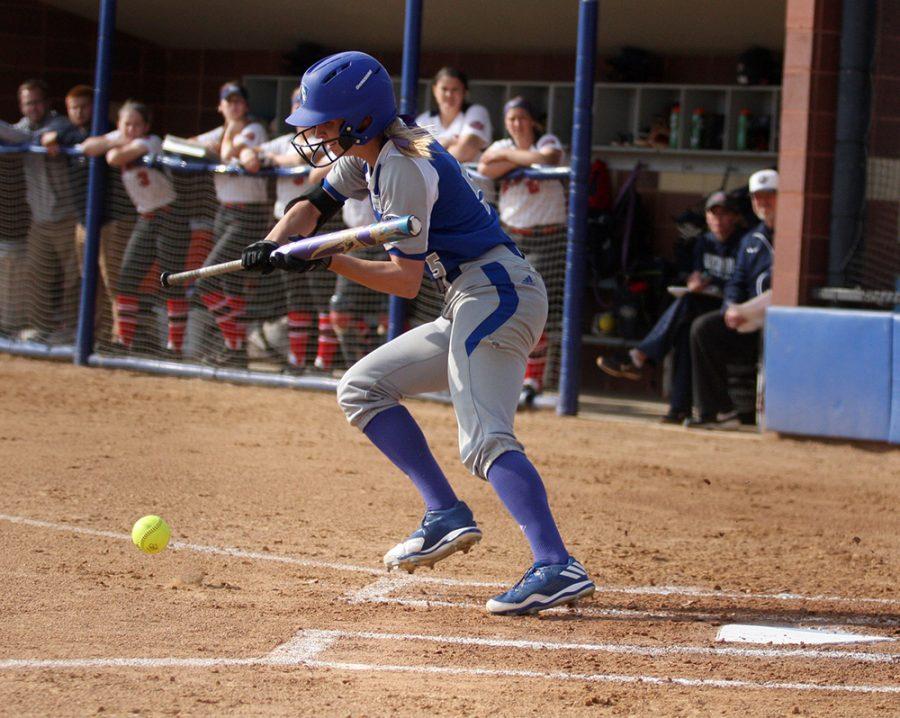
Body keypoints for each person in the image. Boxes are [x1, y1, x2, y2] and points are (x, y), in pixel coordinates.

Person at [240, 51, 595, 615]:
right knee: (362, 388)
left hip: (497, 292)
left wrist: (326, 258)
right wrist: (277, 240)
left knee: (483, 437)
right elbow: (316, 203)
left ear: (359, 117)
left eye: (325, 122)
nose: (314, 133)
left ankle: (556, 564)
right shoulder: (370, 152)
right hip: (469, 298)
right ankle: (445, 514)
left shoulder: (402, 165)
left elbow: (404, 282)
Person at [596, 190, 745, 423]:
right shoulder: (703, 243)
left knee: (688, 307)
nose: (717, 219)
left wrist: (713, 284)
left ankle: (640, 356)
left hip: (732, 312)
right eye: (712, 214)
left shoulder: (744, 243)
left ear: (735, 217)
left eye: (724, 214)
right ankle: (679, 408)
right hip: (704, 308)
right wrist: (694, 282)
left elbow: (740, 284)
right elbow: (695, 274)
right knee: (686, 330)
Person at [477, 96, 566, 409]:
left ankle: (533, 380)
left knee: (535, 310)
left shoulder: (548, 140)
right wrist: (525, 157)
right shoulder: (501, 144)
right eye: (511, 119)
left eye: (522, 118)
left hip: (547, 239)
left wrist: (511, 159)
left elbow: (550, 157)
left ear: (534, 121)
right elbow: (487, 165)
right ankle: (513, 376)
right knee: (507, 307)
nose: (516, 124)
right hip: (513, 237)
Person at [81, 101, 190, 354]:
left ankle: (175, 347)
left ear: (146, 126)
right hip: (146, 219)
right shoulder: (120, 137)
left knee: (171, 281)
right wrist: (115, 139)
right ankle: (124, 341)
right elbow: (88, 147)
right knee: (127, 279)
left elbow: (115, 157)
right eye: (126, 124)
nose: (130, 129)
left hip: (170, 217)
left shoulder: (151, 141)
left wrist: (113, 145)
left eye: (136, 124)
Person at [686, 169, 777, 430]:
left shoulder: (795, 234)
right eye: (758, 198)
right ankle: (718, 411)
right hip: (748, 320)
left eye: (769, 196)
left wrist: (747, 310)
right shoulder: (751, 240)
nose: (763, 203)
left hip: (776, 320)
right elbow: (737, 282)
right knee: (703, 328)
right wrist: (730, 309)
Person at [191, 81, 270, 366]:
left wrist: (222, 146)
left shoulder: (254, 128)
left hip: (247, 214)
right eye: (229, 102)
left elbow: (233, 154)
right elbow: (179, 144)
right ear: (220, 106)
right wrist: (206, 146)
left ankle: (235, 344)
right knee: (230, 281)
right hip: (224, 212)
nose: (235, 106)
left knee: (208, 277)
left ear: (246, 105)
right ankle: (234, 349)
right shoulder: (221, 131)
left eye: (239, 101)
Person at [14, 79, 80, 342]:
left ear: (48, 102)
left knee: (73, 276)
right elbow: (15, 134)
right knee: (38, 273)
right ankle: (41, 327)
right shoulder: (21, 129)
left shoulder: (60, 124)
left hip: (66, 217)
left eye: (38, 101)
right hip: (39, 219)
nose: (34, 107)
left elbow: (60, 130)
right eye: (28, 103)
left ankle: (74, 330)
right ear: (21, 106)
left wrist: (49, 137)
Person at [415, 67, 492, 163]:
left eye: (455, 89)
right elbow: (412, 154)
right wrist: (446, 142)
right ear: (435, 90)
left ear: (465, 92)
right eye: (444, 89)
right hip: (430, 177)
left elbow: (465, 150)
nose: (449, 94)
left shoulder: (476, 112)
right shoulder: (423, 120)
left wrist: (431, 148)